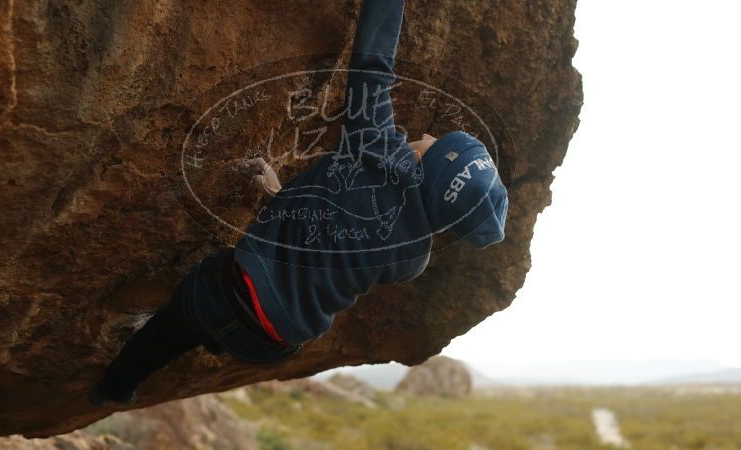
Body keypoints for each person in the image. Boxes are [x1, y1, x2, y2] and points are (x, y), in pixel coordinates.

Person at [89, 0, 509, 406]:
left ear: (424, 168)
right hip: (272, 343)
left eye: (436, 145)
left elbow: (372, 68)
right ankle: (203, 344)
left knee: (165, 334)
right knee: (214, 322)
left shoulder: (376, 148)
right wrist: (277, 194)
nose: (430, 136)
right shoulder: (412, 259)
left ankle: (115, 386)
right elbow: (332, 242)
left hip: (226, 291)